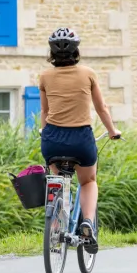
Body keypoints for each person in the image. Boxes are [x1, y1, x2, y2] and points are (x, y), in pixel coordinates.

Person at [39, 27, 121, 253]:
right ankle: (87, 222)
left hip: (52, 139)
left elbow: (45, 112)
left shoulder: (45, 77)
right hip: (81, 140)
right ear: (77, 51)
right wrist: (112, 131)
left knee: (58, 178)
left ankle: (57, 222)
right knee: (88, 181)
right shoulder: (88, 73)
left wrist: (44, 133)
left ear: (52, 53)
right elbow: (101, 108)